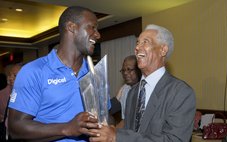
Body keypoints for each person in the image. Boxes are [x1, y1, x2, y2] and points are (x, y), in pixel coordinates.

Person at [8, 6, 103, 142]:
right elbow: (16, 128)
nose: (98, 34)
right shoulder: (33, 71)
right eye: (92, 27)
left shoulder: (95, 73)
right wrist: (67, 128)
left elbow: (105, 114)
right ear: (71, 27)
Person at [89, 24, 196, 142]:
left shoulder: (181, 93)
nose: (137, 47)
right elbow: (130, 133)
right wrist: (111, 131)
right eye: (137, 43)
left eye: (145, 42)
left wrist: (116, 136)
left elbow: (174, 139)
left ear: (163, 50)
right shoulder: (133, 93)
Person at [110, 55, 141, 127]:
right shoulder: (125, 88)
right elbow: (110, 110)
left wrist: (113, 132)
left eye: (129, 69)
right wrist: (118, 95)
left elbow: (129, 121)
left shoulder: (144, 89)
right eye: (123, 70)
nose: (125, 73)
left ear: (138, 70)